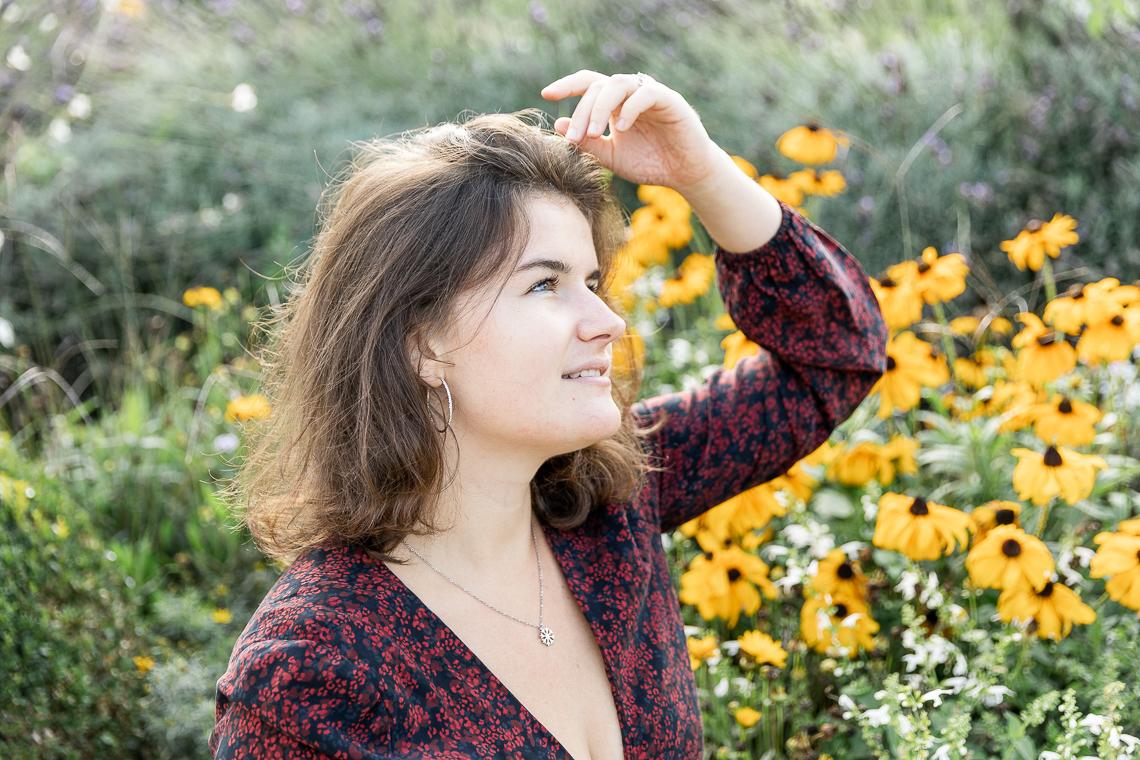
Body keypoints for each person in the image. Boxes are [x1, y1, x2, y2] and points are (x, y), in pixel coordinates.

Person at [208, 70, 888, 759]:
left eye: (591, 282)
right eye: (545, 284)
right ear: (421, 343)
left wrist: (701, 173)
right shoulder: (309, 677)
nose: (608, 321)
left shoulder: (608, 507)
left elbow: (834, 354)